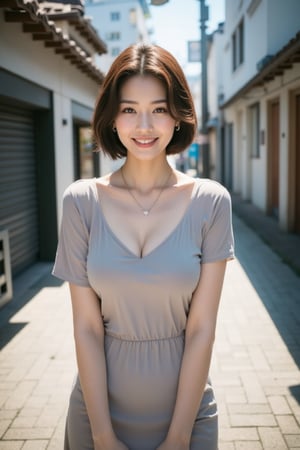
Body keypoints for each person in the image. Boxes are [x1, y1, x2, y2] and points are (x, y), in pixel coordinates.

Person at [52, 43, 234, 450]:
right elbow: (85, 326)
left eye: (160, 108)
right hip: (96, 414)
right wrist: (102, 437)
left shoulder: (211, 201)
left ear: (178, 114)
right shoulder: (81, 201)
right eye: (130, 109)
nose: (145, 125)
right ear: (112, 117)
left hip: (188, 415)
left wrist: (179, 437)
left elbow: (202, 328)